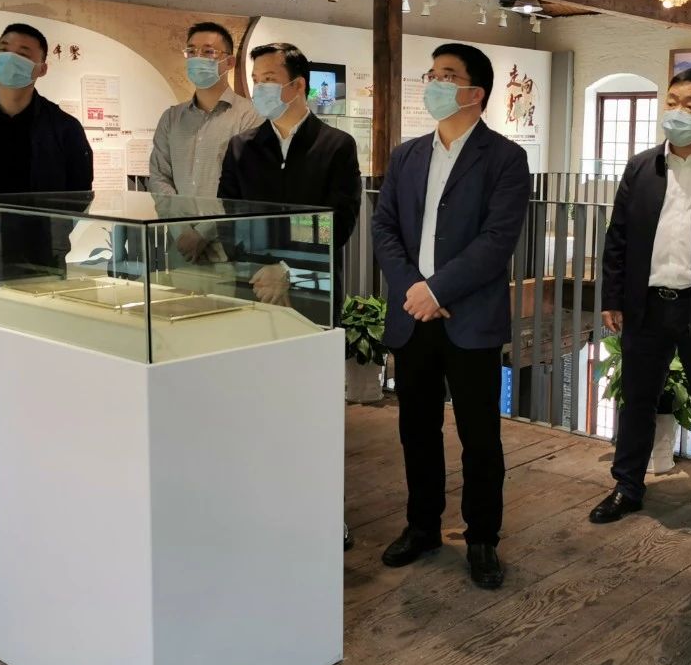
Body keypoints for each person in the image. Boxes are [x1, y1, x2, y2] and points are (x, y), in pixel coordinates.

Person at [372, 43, 531, 590]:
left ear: (475, 92)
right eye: (432, 74)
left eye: (447, 76)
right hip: (412, 316)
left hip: (470, 317)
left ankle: (483, 536)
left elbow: (496, 241)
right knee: (416, 429)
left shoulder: (505, 159)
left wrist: (437, 289)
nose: (434, 84)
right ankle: (422, 526)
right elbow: (384, 227)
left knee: (479, 435)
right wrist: (413, 290)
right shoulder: (407, 155)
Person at [593, 67, 691, 551]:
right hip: (646, 306)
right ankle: (627, 486)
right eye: (673, 101)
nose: (678, 111)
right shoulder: (642, 167)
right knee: (636, 400)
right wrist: (612, 298)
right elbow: (618, 238)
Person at [219, 42, 362, 551]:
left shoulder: (335, 145)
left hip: (311, 293)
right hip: (254, 292)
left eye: (268, 78)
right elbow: (231, 216)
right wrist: (261, 268)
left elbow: (337, 219)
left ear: (298, 85)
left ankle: (322, 512)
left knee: (312, 408)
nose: (258, 87)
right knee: (256, 405)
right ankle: (261, 510)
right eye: (255, 78)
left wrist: (288, 268)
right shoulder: (242, 146)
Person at [0, 23, 93, 282]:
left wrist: (55, 233)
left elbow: (79, 192)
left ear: (41, 68)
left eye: (23, 54)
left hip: (41, 250)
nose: (9, 58)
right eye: (4, 49)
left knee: (41, 306)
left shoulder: (64, 127)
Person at [150, 21, 262, 266]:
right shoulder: (171, 118)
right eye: (191, 51)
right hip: (180, 250)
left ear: (229, 62)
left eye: (209, 51)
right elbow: (159, 177)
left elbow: (246, 187)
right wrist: (181, 230)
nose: (198, 58)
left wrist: (202, 233)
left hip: (230, 253)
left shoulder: (250, 116)